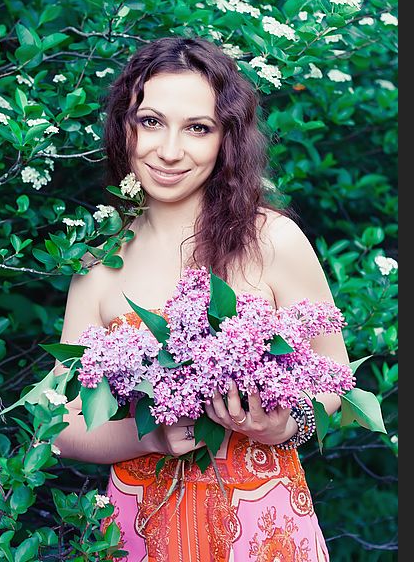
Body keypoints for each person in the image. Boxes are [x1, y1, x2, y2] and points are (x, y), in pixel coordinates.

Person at [54, 36, 350, 561]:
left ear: (226, 139)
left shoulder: (273, 240)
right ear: (124, 127)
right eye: (150, 121)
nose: (169, 151)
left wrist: (286, 424)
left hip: (264, 528)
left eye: (198, 128)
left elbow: (335, 380)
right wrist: (149, 439)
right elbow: (62, 425)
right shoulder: (98, 265)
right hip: (141, 530)